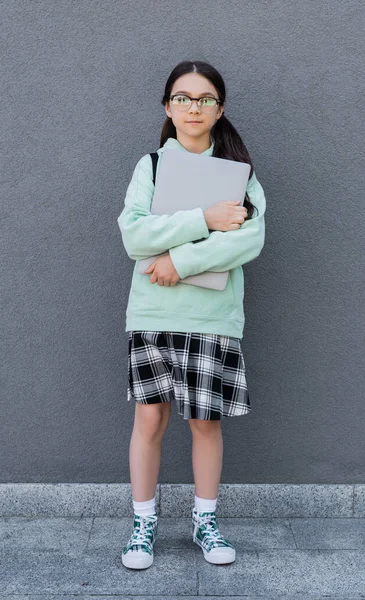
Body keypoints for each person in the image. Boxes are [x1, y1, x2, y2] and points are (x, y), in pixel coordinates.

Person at [117, 60, 266, 570]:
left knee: (205, 422)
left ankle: (206, 521)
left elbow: (250, 238)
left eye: (205, 99)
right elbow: (134, 235)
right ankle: (143, 524)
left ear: (219, 108)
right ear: (167, 107)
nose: (193, 107)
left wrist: (179, 261)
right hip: (153, 314)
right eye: (183, 97)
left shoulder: (238, 172)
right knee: (150, 418)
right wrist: (203, 218)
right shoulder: (152, 166)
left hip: (212, 317)